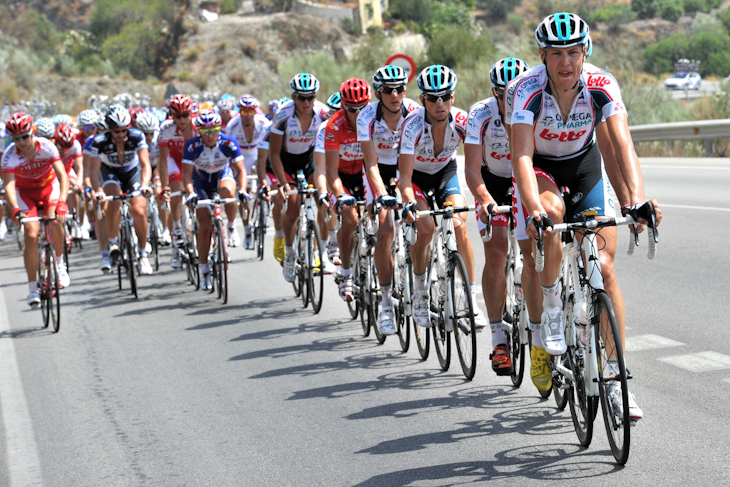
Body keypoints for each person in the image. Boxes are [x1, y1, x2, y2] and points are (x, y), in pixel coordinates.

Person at [506, 12, 662, 418]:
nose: (565, 62)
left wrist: (636, 201)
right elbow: (520, 155)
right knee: (554, 214)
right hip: (540, 170)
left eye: (573, 52)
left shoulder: (601, 84)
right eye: (556, 53)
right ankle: (553, 308)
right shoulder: (525, 90)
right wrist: (535, 210)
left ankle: (613, 379)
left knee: (605, 268)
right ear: (542, 55)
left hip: (584, 165)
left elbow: (619, 146)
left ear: (585, 52)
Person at [398, 65, 490, 331]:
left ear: (453, 95)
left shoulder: (462, 120)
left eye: (445, 96)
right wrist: (408, 202)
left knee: (459, 224)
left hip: (445, 173)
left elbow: (478, 162)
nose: (440, 103)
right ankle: (419, 292)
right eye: (432, 97)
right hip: (415, 177)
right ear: (422, 99)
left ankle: (471, 300)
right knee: (425, 228)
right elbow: (404, 178)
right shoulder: (411, 125)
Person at [464, 57, 530, 375]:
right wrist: (485, 200)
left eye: (517, 92)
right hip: (491, 184)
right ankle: (499, 340)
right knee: (497, 252)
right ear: (495, 93)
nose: (512, 99)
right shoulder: (481, 113)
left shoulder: (536, 103)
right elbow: (472, 169)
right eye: (505, 94)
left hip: (525, 179)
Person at [357, 65, 420, 334]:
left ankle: (420, 291)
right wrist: (382, 195)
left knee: (419, 218)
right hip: (378, 169)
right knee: (385, 231)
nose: (395, 95)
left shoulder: (416, 112)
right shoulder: (366, 116)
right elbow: (370, 163)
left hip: (408, 167)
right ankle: (384, 302)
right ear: (378, 93)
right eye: (388, 90)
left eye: (400, 89)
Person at [1, 112, 70, 305]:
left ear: (32, 132)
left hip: (49, 188)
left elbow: (62, 176)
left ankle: (59, 262)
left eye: (24, 136)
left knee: (56, 221)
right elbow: (8, 185)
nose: (21, 142)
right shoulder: (9, 156)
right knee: (31, 235)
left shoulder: (47, 146)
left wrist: (62, 201)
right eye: (16, 139)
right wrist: (14, 208)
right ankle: (33, 289)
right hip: (25, 194)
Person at [269, 73, 330, 282]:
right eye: (301, 98)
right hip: (286, 162)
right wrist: (282, 183)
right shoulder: (282, 116)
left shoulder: (323, 113)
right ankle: (289, 253)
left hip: (309, 159)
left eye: (311, 97)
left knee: (322, 201)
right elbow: (274, 154)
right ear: (293, 97)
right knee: (293, 208)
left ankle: (317, 252)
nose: (306, 102)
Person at [182, 110, 247, 290]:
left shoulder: (228, 142)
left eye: (213, 130)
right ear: (199, 131)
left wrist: (242, 190)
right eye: (205, 131)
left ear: (219, 129)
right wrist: (191, 193)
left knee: (228, 191)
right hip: (200, 182)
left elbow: (241, 171)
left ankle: (231, 226)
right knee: (204, 226)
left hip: (221, 176)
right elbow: (186, 175)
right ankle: (203, 270)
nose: (210, 135)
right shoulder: (192, 146)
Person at [88, 105, 153, 275]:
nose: (121, 135)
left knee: (139, 209)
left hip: (132, 173)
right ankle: (113, 242)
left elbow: (145, 164)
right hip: (110, 173)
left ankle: (142, 254)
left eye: (124, 130)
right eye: (117, 132)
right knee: (113, 198)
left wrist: (145, 184)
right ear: (109, 129)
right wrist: (98, 190)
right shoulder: (99, 142)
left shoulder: (137, 136)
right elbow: (93, 171)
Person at [324, 78, 372, 300]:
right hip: (342, 177)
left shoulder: (375, 120)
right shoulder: (334, 126)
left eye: (363, 108)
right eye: (352, 110)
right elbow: (331, 171)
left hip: (365, 174)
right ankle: (346, 273)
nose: (359, 114)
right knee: (350, 219)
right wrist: (340, 194)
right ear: (343, 106)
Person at [225, 94, 271, 249]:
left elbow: (270, 147)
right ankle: (247, 231)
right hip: (241, 155)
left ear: (255, 111)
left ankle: (263, 205)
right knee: (242, 194)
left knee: (265, 182)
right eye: (243, 112)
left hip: (258, 153)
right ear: (239, 113)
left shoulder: (264, 123)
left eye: (250, 112)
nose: (247, 116)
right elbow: (228, 152)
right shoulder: (232, 125)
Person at [158, 94, 198, 269]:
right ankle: (176, 231)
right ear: (172, 116)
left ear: (191, 114)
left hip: (196, 161)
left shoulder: (199, 126)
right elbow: (162, 158)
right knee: (176, 191)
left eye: (185, 115)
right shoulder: (167, 128)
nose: (182, 120)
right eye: (178, 117)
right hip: (175, 161)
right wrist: (164, 186)